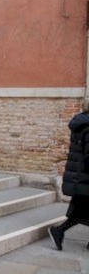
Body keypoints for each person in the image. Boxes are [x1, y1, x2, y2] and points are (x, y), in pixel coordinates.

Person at [48, 97, 89, 251]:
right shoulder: (88, 126)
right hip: (85, 178)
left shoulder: (80, 124)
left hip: (80, 177)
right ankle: (58, 231)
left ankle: (58, 231)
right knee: (80, 212)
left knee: (80, 212)